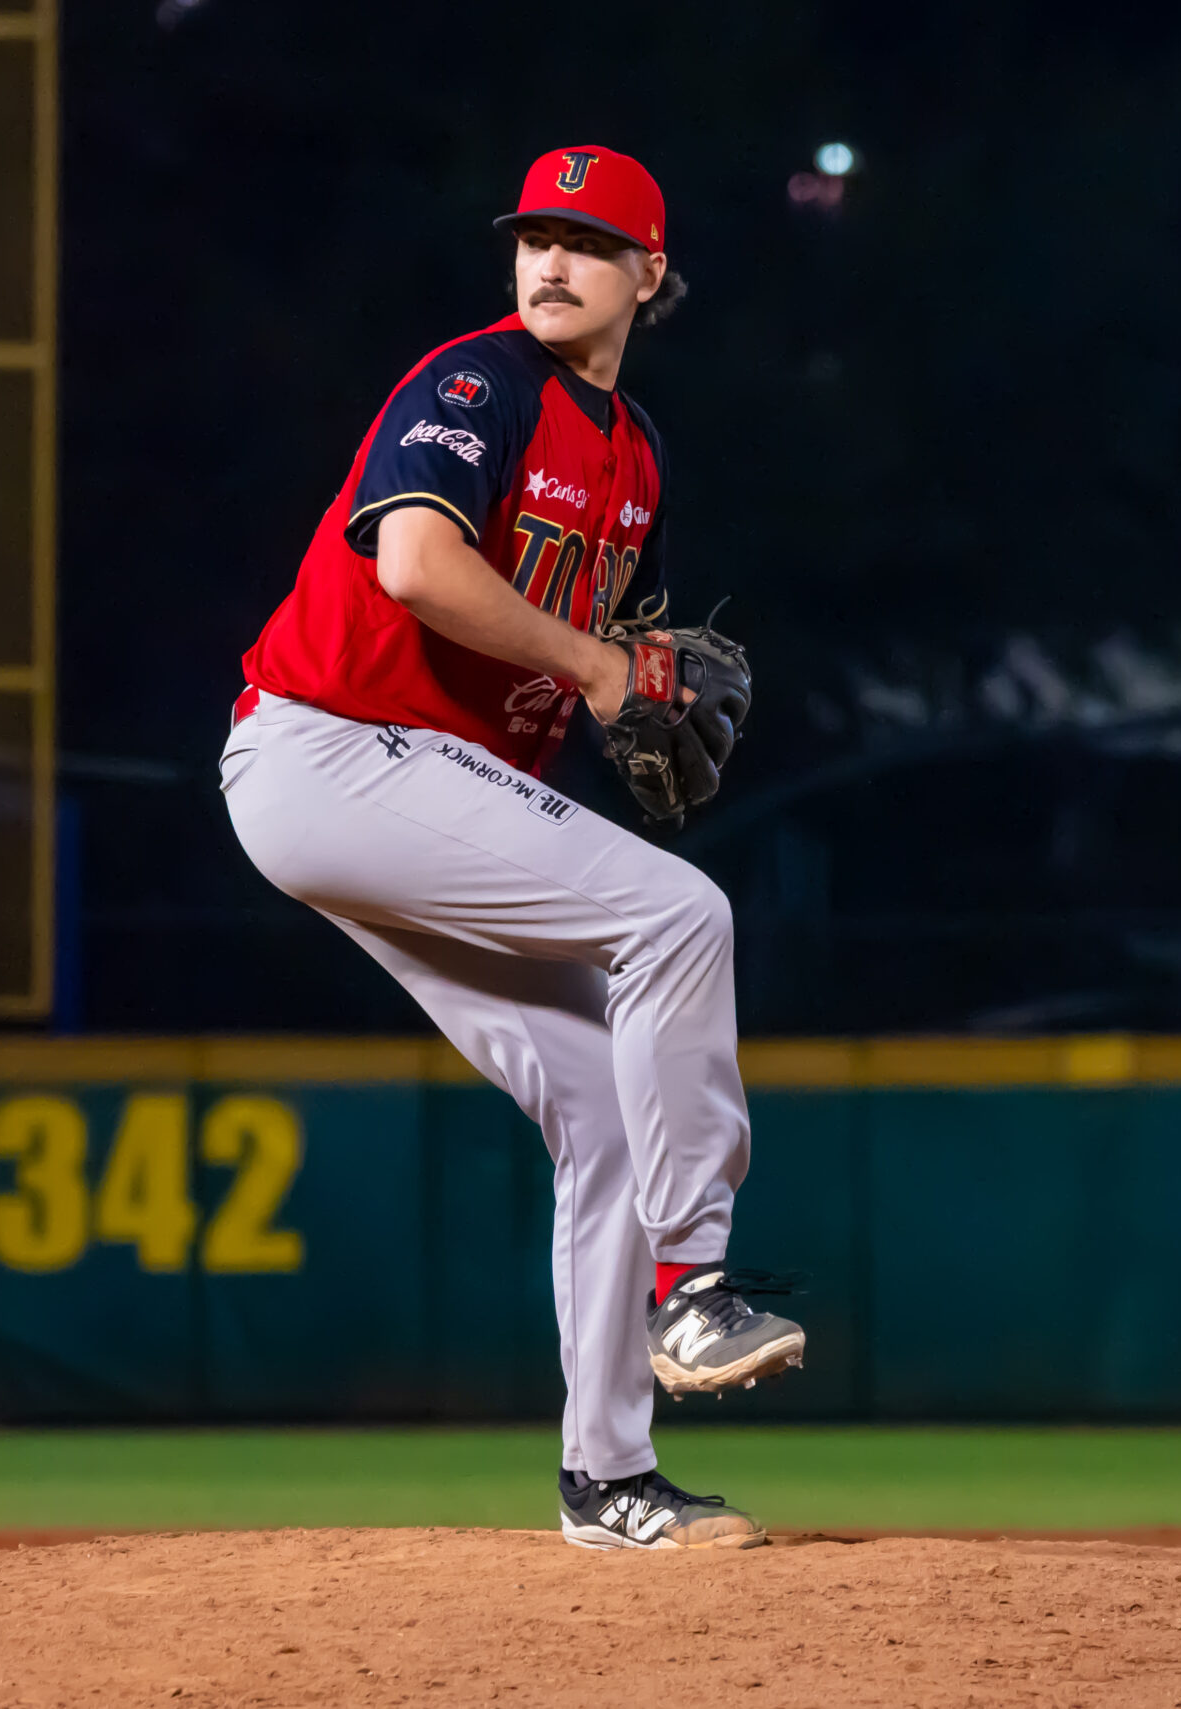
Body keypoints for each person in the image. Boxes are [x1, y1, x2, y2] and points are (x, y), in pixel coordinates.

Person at [219, 146, 803, 1551]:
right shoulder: (478, 385)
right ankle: (694, 1282)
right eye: (536, 237)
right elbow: (417, 565)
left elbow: (581, 671)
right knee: (681, 916)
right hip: (330, 747)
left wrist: (614, 688)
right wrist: (603, 670)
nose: (551, 262)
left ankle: (609, 1479)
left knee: (602, 1105)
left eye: (587, 244)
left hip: (418, 780)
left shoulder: (636, 457)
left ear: (648, 276)